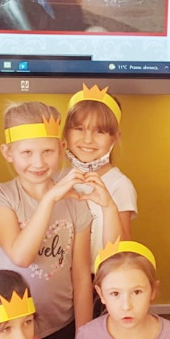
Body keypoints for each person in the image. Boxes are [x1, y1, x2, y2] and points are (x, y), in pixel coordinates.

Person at [0, 101, 118, 339]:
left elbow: (80, 276)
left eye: (48, 151)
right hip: (5, 327)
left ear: (62, 148)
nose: (38, 162)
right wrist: (49, 200)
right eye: (26, 152)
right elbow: (21, 256)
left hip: (60, 325)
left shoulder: (75, 202)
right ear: (8, 152)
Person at [63, 85, 138, 270]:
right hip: (59, 277)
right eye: (79, 128)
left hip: (99, 276)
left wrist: (109, 205)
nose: (88, 139)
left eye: (100, 131)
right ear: (66, 133)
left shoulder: (119, 185)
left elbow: (122, 250)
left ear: (115, 138)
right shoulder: (57, 180)